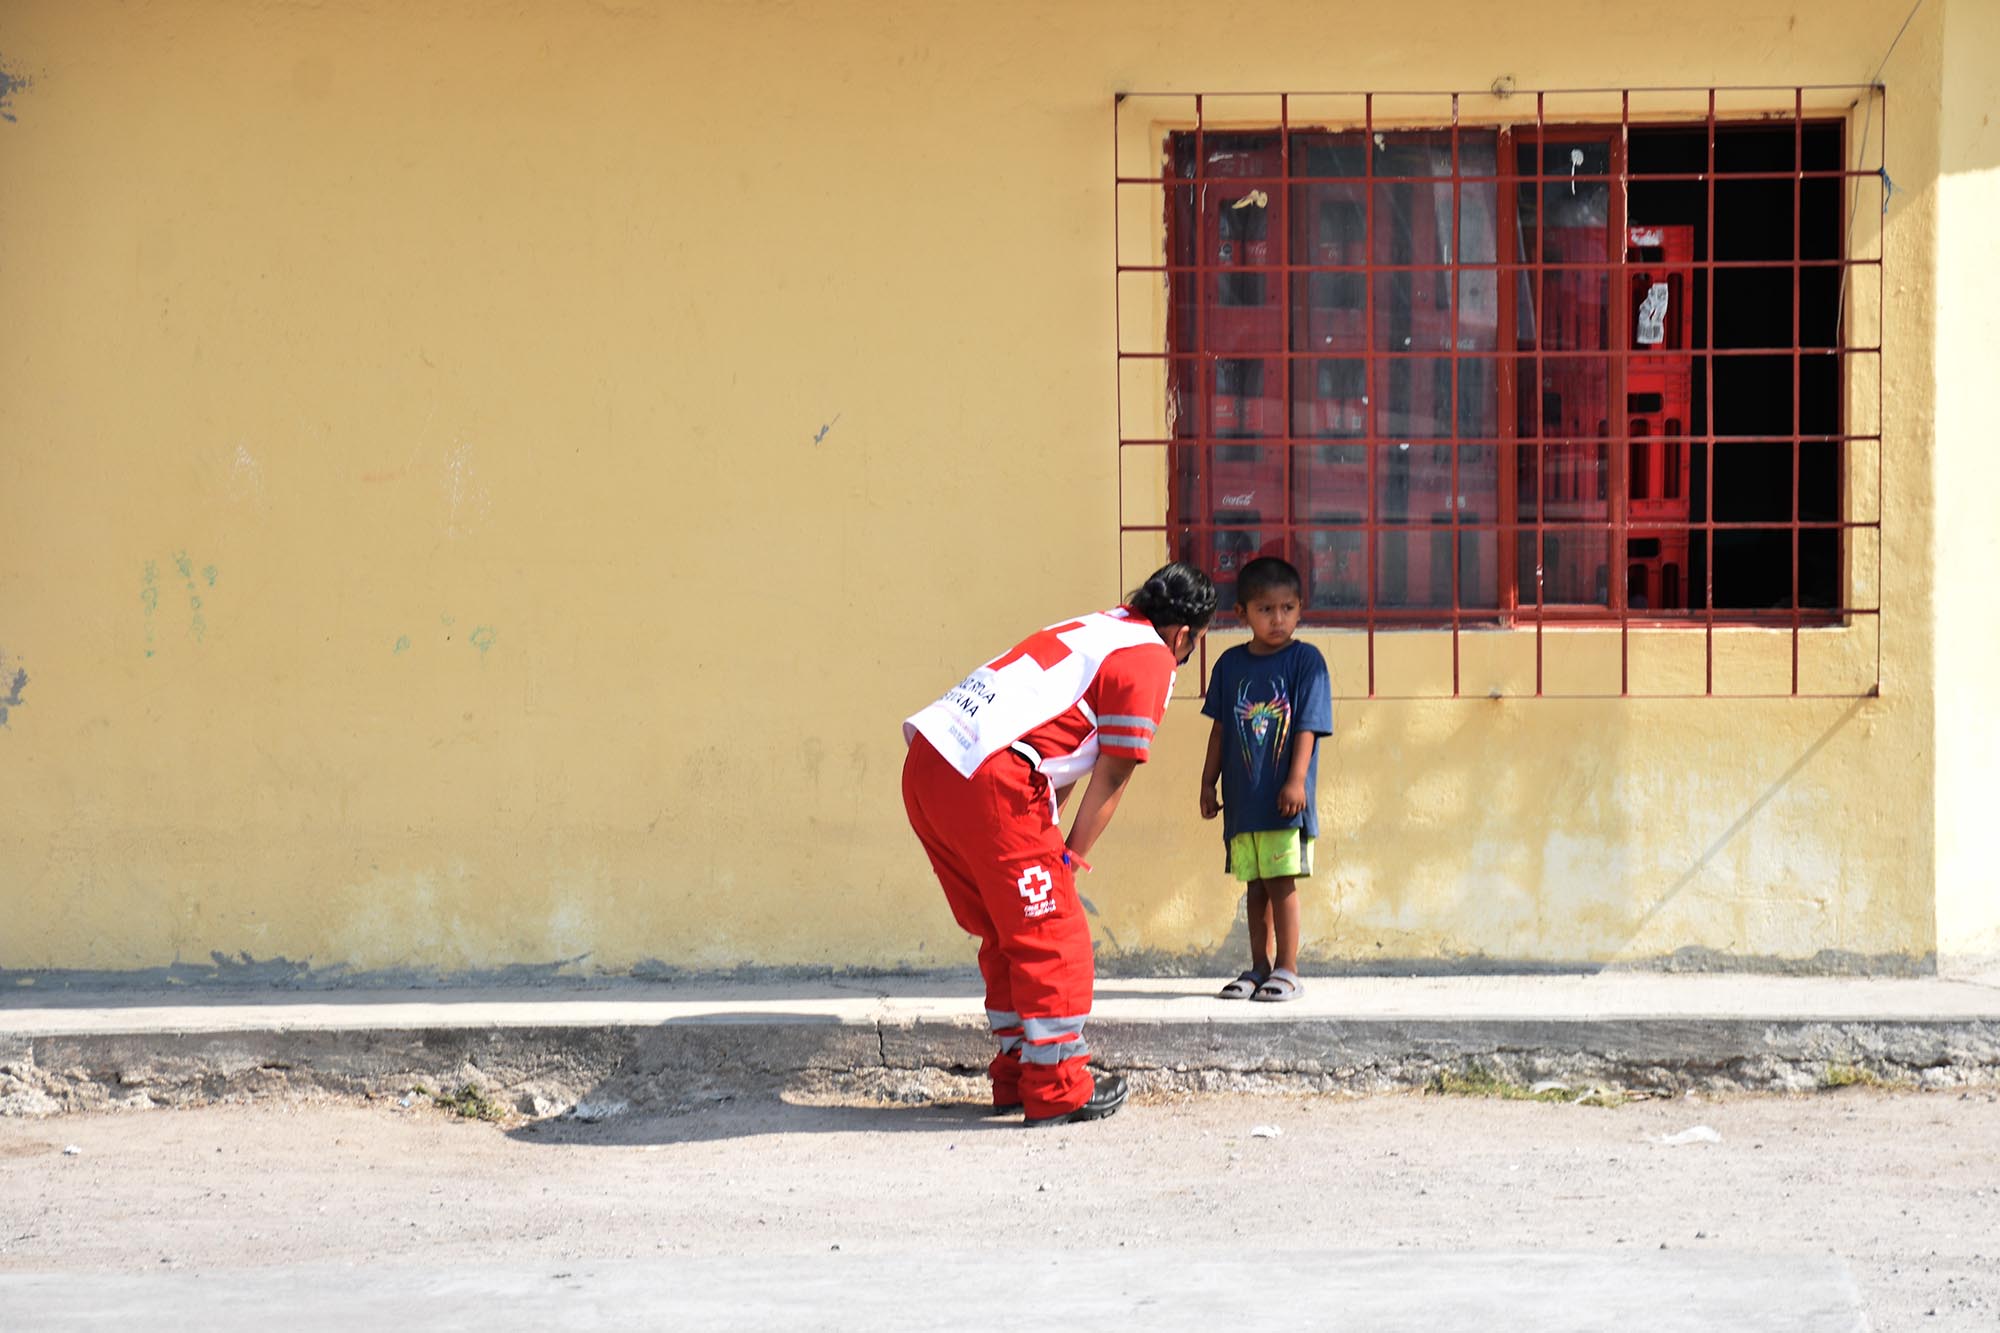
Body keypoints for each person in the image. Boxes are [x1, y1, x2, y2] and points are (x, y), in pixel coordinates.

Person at [901, 563, 1216, 1125]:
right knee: (1053, 931)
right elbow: (1114, 772)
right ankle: (1057, 1086)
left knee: (1007, 928)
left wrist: (1047, 839)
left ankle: (1018, 1072)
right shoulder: (1152, 659)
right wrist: (1069, 857)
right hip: (991, 777)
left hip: (933, 759)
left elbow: (1060, 752)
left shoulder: (1100, 627)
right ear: (1187, 634)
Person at [1199, 556, 1333, 1003]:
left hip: (1283, 800)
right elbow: (1219, 729)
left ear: (1300, 608)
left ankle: (1288, 969)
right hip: (1242, 801)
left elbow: (1307, 727)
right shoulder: (1229, 665)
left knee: (1281, 883)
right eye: (1266, 610)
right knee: (1253, 886)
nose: (1279, 620)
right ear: (1241, 614)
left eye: (1288, 608)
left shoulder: (1306, 662)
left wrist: (1297, 782)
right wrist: (1207, 784)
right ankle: (1258, 966)